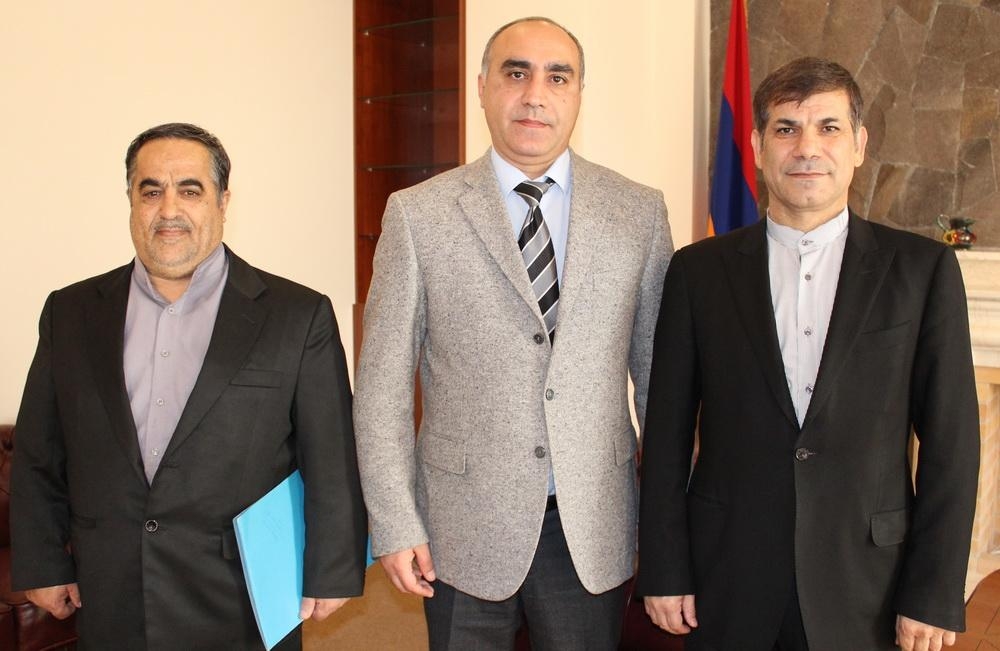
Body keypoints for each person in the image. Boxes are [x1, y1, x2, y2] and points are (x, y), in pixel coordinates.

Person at [636, 57, 979, 651]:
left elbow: (952, 443)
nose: (807, 148)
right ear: (757, 146)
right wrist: (665, 568)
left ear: (859, 145)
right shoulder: (697, 272)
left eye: (829, 127)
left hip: (868, 584)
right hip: (729, 575)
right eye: (787, 129)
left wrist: (933, 590)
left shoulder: (922, 271)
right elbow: (666, 433)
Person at [353, 16, 672, 650]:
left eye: (557, 77)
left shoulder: (639, 212)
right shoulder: (418, 215)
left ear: (578, 93)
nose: (535, 95)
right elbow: (382, 386)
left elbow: (660, 382)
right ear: (483, 87)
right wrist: (394, 520)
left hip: (592, 525)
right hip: (460, 529)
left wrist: (667, 529)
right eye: (516, 72)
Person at [11, 122, 368, 650]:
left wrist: (332, 568)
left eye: (190, 190)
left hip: (240, 597)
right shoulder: (70, 312)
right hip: (111, 590)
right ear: (131, 201)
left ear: (223, 202)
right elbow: (39, 451)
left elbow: (331, 454)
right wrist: (41, 561)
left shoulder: (298, 315)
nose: (169, 210)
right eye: (151, 191)